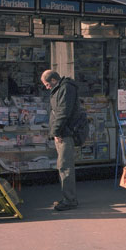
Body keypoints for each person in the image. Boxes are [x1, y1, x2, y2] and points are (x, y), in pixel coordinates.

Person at [41, 70, 81, 212]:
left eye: (46, 84)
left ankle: (70, 200)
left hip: (65, 133)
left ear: (53, 80)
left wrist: (56, 131)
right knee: (63, 166)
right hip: (62, 132)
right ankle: (67, 198)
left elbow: (63, 111)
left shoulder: (66, 88)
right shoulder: (62, 88)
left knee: (65, 167)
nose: (46, 88)